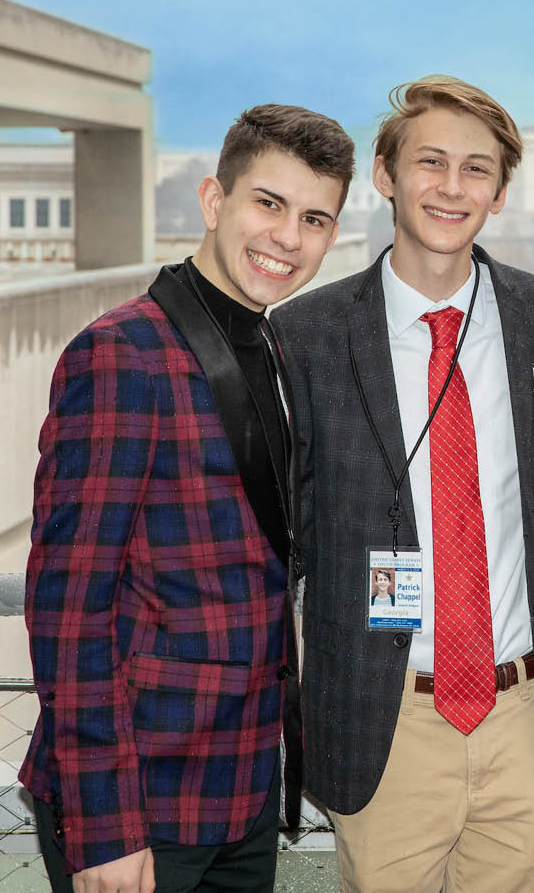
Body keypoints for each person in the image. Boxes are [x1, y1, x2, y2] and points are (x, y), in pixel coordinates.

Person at [20, 104, 355, 892]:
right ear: (214, 201)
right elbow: (69, 607)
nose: (286, 237)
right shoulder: (122, 354)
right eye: (267, 204)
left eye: (314, 218)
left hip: (239, 792)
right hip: (138, 807)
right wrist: (104, 826)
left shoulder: (271, 346)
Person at [272, 75, 534, 893]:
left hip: (521, 718)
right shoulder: (306, 336)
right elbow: (279, 543)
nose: (451, 187)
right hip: (383, 716)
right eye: (430, 162)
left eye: (476, 169)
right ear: (385, 175)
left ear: (502, 193)